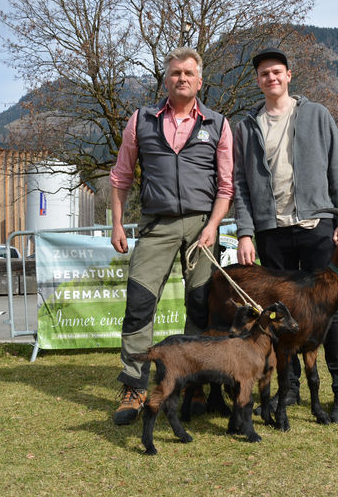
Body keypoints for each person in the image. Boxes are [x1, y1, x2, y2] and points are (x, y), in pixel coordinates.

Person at [109, 47, 234, 426]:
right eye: (175, 72)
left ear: (200, 80)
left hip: (201, 227)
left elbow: (226, 187)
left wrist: (212, 226)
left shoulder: (218, 123)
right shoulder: (141, 120)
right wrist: (116, 223)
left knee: (200, 307)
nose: (182, 78)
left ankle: (194, 383)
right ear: (166, 79)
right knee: (139, 303)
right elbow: (120, 177)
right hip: (157, 225)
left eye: (189, 73)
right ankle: (135, 386)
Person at [233, 47, 338, 423]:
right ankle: (290, 387)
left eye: (277, 72)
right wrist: (245, 233)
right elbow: (239, 185)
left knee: (326, 313)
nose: (271, 78)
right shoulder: (246, 127)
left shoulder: (318, 115)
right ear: (258, 81)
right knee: (280, 316)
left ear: (288, 76)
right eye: (264, 74)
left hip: (317, 226)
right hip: (272, 232)